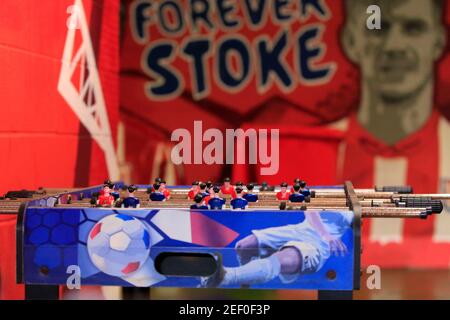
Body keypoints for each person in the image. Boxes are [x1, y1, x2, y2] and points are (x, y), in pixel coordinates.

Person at [332, 0, 450, 248]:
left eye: (413, 27)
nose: (394, 46)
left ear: (438, 41)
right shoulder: (312, 153)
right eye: (377, 28)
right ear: (351, 41)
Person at [201, 211, 352, 287]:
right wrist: (325, 233)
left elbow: (357, 235)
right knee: (243, 246)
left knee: (277, 260)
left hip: (316, 246)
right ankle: (247, 278)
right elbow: (311, 210)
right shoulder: (329, 193)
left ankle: (225, 276)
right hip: (300, 230)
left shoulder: (354, 212)